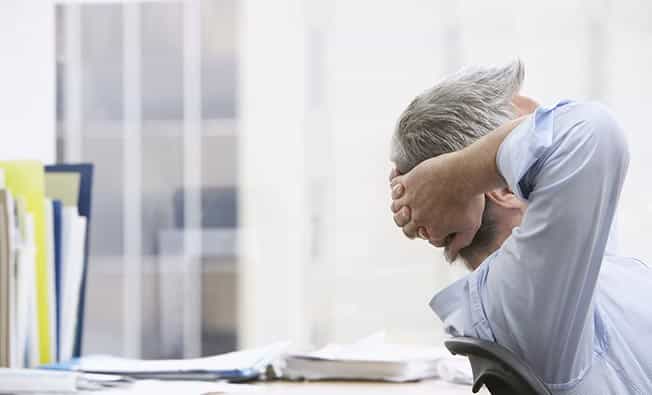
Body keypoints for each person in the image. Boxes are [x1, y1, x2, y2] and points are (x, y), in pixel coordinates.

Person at [389, 60, 652, 394]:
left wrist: (438, 188)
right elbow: (592, 132)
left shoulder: (570, 280)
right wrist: (454, 178)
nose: (542, 125)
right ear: (506, 188)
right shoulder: (524, 296)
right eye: (525, 131)